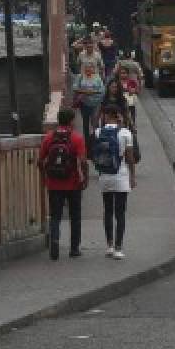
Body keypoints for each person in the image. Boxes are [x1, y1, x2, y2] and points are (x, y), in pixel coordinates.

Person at [39, 108, 89, 261]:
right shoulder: (77, 138)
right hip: (73, 183)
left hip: (54, 184)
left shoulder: (49, 137)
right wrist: (85, 179)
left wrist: (44, 178)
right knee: (75, 216)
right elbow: (83, 162)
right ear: (71, 121)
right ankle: (74, 249)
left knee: (55, 216)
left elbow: (40, 161)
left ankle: (54, 241)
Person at [93, 106, 135, 260]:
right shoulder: (125, 133)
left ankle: (109, 245)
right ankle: (118, 247)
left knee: (108, 210)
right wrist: (133, 176)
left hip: (104, 176)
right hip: (121, 175)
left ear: (105, 116)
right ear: (118, 116)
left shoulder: (98, 132)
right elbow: (130, 158)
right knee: (120, 212)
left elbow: (95, 154)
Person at [73, 63, 105, 140]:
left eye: (90, 68)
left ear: (93, 69)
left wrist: (92, 92)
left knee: (95, 121)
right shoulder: (80, 77)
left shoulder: (97, 78)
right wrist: (84, 92)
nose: (88, 69)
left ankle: (96, 137)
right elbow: (75, 88)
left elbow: (102, 90)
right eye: (86, 68)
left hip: (96, 103)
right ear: (84, 69)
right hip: (84, 103)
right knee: (85, 121)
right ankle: (86, 140)